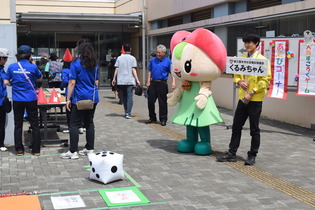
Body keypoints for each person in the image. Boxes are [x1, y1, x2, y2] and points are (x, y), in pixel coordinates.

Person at [216, 32, 271, 165]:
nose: (246, 45)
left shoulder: (262, 60)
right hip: (242, 99)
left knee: (254, 129)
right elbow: (236, 75)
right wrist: (240, 82)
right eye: (245, 42)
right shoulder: (241, 59)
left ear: (256, 43)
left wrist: (251, 92)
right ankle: (232, 153)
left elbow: (265, 81)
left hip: (255, 100)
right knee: (236, 126)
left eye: (249, 42)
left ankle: (252, 155)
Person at [60, 39, 99, 159]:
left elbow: (71, 82)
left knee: (74, 124)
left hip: (79, 98)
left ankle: (73, 151)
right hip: (92, 97)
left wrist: (68, 99)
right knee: (89, 122)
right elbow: (96, 82)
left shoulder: (75, 64)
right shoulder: (95, 65)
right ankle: (89, 148)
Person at [3, 45, 43, 156]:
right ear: (29, 55)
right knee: (34, 123)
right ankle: (36, 150)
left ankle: (19, 150)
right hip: (31, 98)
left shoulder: (12, 67)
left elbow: (6, 82)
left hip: (17, 99)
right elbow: (40, 78)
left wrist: (14, 84)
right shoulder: (32, 67)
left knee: (18, 124)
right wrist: (34, 65)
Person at [145, 44, 175, 126]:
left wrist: (173, 82)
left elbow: (171, 73)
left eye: (160, 52)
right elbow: (149, 71)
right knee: (150, 101)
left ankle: (163, 119)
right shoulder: (153, 60)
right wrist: (148, 81)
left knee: (162, 102)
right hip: (153, 82)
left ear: (164, 53)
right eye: (157, 52)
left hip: (162, 83)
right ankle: (152, 118)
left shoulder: (168, 61)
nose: (158, 54)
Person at [112, 43, 140, 119]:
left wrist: (114, 78)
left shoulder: (119, 58)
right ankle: (128, 112)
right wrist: (137, 79)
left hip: (121, 80)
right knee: (129, 97)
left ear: (123, 49)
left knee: (124, 96)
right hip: (130, 80)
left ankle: (126, 111)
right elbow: (133, 69)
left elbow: (116, 68)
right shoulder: (132, 58)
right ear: (130, 49)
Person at [0, 48, 10, 152]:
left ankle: (1, 143)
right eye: (5, 58)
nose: (6, 60)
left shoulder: (2, 69)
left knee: (2, 123)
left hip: (2, 100)